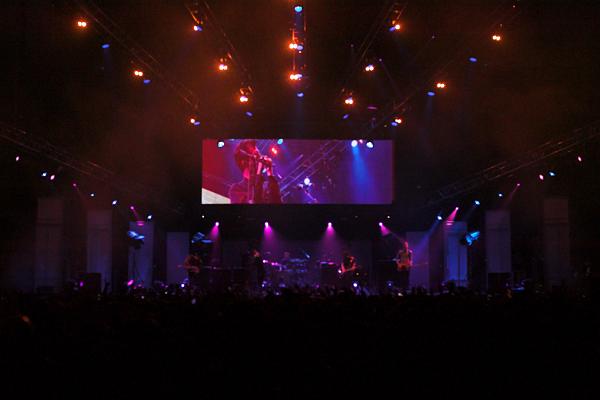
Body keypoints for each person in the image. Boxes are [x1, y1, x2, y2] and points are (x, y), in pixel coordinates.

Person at [229, 140, 282, 204]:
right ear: (244, 162)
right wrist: (258, 174)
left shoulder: (266, 185)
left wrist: (270, 174)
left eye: (259, 154)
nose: (260, 157)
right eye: (255, 155)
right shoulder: (237, 189)